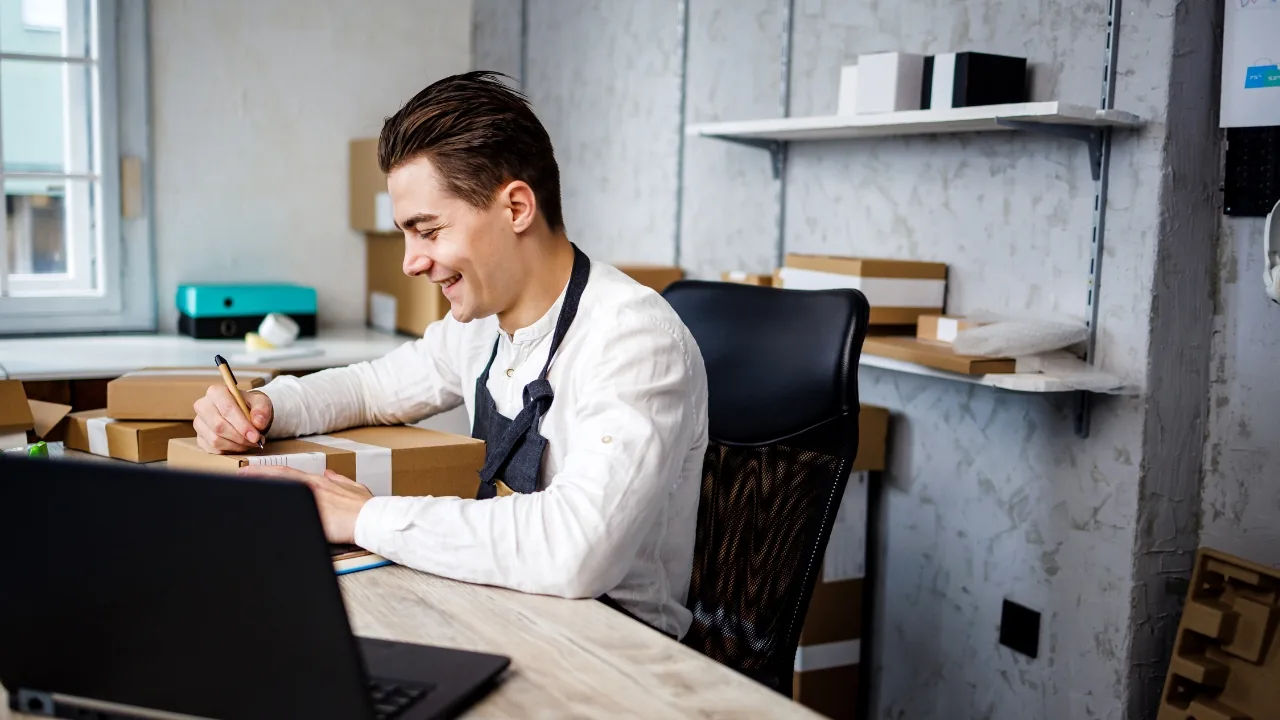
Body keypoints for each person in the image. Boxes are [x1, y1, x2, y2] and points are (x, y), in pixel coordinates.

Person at [192, 71, 709, 640]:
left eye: (429, 230)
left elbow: (577, 548)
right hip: (503, 612)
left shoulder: (634, 339)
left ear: (516, 207)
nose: (411, 262)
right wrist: (267, 406)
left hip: (613, 649)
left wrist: (362, 516)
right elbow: (371, 389)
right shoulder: (481, 325)